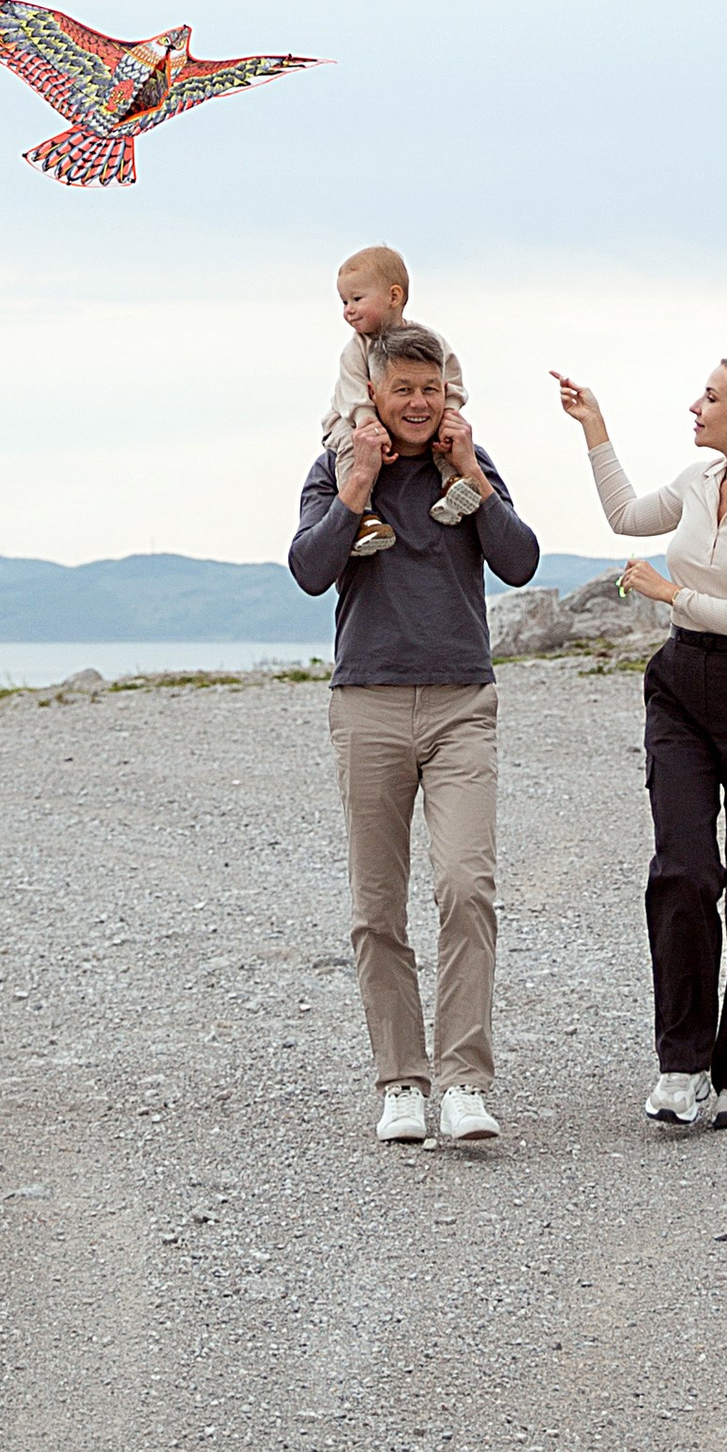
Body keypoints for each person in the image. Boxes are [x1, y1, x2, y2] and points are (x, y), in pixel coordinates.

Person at [549, 355, 727, 1132]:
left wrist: (672, 592)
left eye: (710, 395)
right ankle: (682, 1064)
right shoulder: (700, 480)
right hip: (680, 687)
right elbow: (628, 516)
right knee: (684, 868)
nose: (694, 405)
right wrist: (594, 427)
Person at [290, 325, 541, 1147]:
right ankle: (402, 1079)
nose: (419, 402)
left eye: (430, 388)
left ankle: (464, 1080)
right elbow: (310, 567)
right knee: (376, 908)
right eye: (403, 389)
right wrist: (358, 483)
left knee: (466, 887)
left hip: (463, 700)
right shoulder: (336, 464)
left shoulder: (467, 461)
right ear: (375, 392)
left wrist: (473, 475)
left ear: (446, 391)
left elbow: (520, 561)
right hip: (367, 701)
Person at [322, 242, 474, 559]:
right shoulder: (355, 349)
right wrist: (370, 427)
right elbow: (354, 399)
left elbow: (453, 377)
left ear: (394, 296)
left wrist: (450, 412)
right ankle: (363, 517)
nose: (348, 309)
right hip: (353, 421)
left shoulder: (427, 341)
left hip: (402, 428)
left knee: (445, 438)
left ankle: (452, 485)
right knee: (353, 445)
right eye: (344, 301)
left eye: (357, 299)